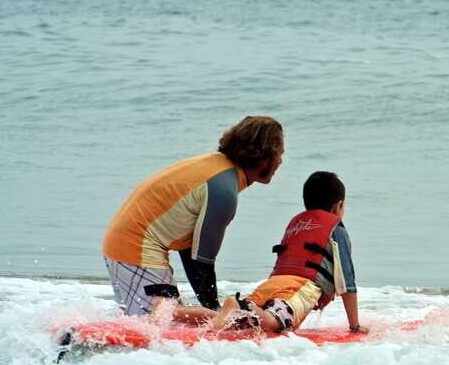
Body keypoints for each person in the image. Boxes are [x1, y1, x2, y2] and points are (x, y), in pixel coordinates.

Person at [101, 116, 284, 318]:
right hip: (135, 247)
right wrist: (217, 312)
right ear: (264, 157)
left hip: (127, 243)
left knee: (158, 321)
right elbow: (202, 261)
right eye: (280, 154)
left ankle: (82, 333)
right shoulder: (224, 191)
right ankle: (75, 334)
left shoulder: (217, 167)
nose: (281, 161)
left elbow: (192, 253)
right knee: (160, 325)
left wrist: (211, 308)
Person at [176, 171, 368, 334]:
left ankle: (174, 312)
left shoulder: (296, 224)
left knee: (237, 321)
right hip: (299, 288)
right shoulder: (337, 231)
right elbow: (347, 282)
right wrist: (354, 326)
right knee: (274, 322)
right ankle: (236, 304)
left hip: (271, 284)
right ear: (338, 205)